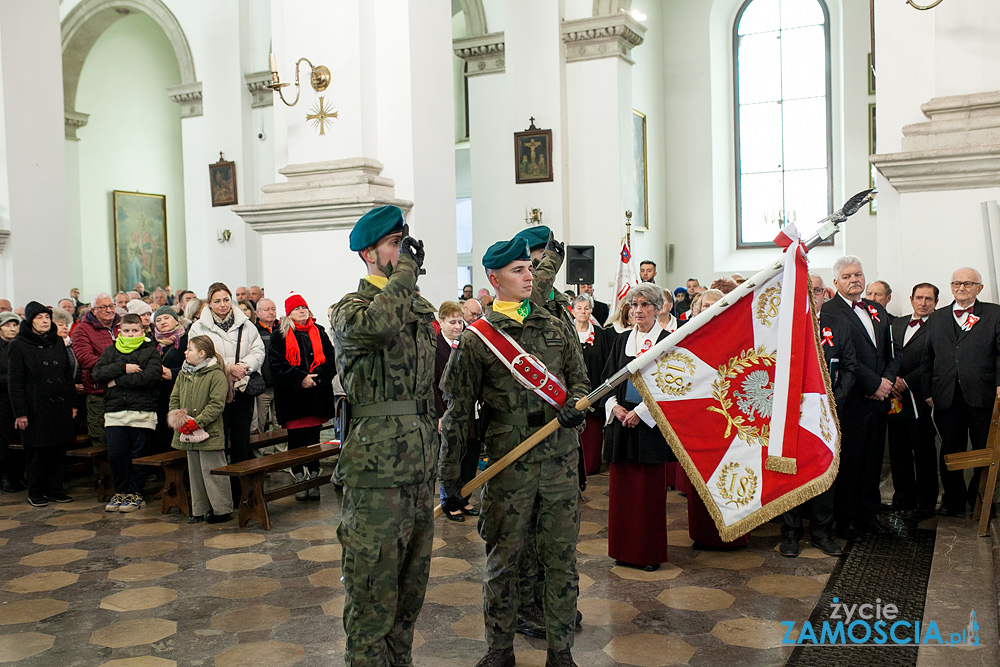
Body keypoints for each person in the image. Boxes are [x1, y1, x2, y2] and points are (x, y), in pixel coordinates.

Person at [440, 236, 589, 667]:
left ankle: (560, 652)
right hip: (509, 462)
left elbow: (579, 379)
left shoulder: (556, 325)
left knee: (561, 560)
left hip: (560, 458)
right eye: (519, 271)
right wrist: (449, 478)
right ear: (494, 278)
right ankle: (499, 649)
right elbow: (457, 412)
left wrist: (575, 407)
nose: (530, 276)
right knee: (503, 561)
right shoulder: (477, 339)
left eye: (530, 268)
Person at [331, 205, 438, 667]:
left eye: (404, 243)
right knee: (372, 594)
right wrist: (406, 276)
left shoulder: (416, 307)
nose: (403, 252)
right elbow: (377, 326)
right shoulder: (348, 310)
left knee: (409, 595)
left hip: (418, 467)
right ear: (368, 254)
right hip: (375, 473)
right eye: (395, 245)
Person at [780, 273, 854, 557]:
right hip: (791, 415)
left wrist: (833, 403)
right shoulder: (781, 326)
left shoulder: (840, 326)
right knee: (790, 473)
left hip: (828, 414)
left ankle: (822, 532)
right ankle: (790, 533)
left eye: (817, 291)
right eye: (805, 290)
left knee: (826, 471)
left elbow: (850, 368)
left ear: (826, 294)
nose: (811, 295)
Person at [824, 256, 899, 538]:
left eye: (858, 274)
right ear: (836, 282)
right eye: (847, 276)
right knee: (851, 462)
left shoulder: (876, 309)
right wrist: (873, 383)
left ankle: (869, 515)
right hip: (853, 398)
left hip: (879, 399)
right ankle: (847, 520)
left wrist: (888, 381)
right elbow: (845, 358)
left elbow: (891, 351)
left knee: (873, 460)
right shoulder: (830, 312)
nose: (854, 279)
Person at [601, 283, 671, 570]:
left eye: (644, 305)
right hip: (621, 423)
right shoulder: (620, 341)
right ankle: (624, 550)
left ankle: (647, 555)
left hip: (649, 428)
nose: (637, 310)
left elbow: (674, 386)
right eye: (633, 305)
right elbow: (607, 381)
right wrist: (614, 407)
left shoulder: (668, 341)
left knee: (648, 496)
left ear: (657, 308)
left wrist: (642, 412)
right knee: (623, 494)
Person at [921, 267, 1000, 517]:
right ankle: (952, 500)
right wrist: (928, 390)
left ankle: (980, 498)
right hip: (946, 395)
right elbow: (928, 357)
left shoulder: (994, 314)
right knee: (950, 450)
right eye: (956, 283)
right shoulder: (938, 317)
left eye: (967, 283)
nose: (961, 288)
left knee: (981, 449)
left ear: (980, 288)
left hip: (982, 394)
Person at [189, 282, 265, 501]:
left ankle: (242, 491)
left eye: (225, 300)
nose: (222, 305)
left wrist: (244, 367)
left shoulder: (245, 324)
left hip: (241, 388)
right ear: (209, 304)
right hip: (215, 391)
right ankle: (221, 495)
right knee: (219, 442)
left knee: (241, 440)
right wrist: (228, 367)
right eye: (217, 301)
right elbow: (197, 355)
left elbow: (258, 349)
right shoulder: (199, 327)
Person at [8, 302, 77, 507]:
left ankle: (55, 489)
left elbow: (66, 375)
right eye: (39, 318)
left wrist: (72, 403)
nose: (45, 321)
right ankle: (36, 491)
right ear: (29, 322)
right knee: (38, 452)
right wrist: (20, 413)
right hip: (35, 406)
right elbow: (15, 382)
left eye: (47, 317)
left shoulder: (57, 341)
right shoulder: (19, 345)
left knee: (58, 450)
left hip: (59, 404)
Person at [92, 313, 162, 513]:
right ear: (119, 331)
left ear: (142, 331)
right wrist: (122, 367)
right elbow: (97, 374)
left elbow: (151, 377)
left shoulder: (150, 351)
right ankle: (121, 491)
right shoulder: (111, 351)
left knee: (138, 455)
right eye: (126, 331)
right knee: (116, 455)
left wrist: (117, 381)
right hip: (115, 412)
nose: (130, 334)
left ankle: (136, 493)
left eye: (135, 330)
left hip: (141, 412)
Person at [270, 292, 337, 500]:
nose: (301, 311)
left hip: (316, 395)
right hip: (293, 399)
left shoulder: (319, 331)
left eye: (304, 307)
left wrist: (315, 379)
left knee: (313, 438)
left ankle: (314, 475)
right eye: (297, 309)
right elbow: (276, 365)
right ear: (289, 314)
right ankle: (299, 476)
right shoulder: (279, 335)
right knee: (296, 440)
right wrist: (300, 378)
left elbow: (331, 359)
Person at [886, 283, 938, 519]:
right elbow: (888, 353)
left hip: (921, 395)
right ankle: (902, 498)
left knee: (924, 451)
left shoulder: (940, 325)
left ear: (936, 302)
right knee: (898, 449)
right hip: (894, 396)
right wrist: (892, 380)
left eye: (929, 299)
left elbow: (937, 360)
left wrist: (906, 381)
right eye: (919, 298)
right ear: (911, 299)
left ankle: (926, 503)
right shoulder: (896, 323)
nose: (923, 302)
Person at [169, 335, 233, 523]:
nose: (185, 352)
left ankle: (222, 509)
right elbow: (175, 398)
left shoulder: (215, 374)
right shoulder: (184, 373)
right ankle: (200, 509)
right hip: (187, 432)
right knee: (195, 472)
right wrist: (178, 419)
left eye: (189, 349)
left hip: (208, 432)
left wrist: (198, 422)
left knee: (212, 471)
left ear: (202, 353)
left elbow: (216, 404)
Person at [434, 301, 480, 521]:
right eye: (452, 322)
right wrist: (439, 414)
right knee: (450, 459)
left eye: (460, 321)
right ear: (440, 321)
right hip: (448, 412)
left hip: (471, 412)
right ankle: (450, 501)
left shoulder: (467, 342)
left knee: (470, 457)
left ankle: (465, 498)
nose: (457, 326)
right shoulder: (435, 348)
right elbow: (432, 385)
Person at [72, 293, 121, 451]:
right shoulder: (82, 330)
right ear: (93, 310)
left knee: (122, 435)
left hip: (123, 390)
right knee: (100, 436)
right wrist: (118, 367)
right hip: (98, 391)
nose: (109, 310)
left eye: (111, 306)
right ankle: (103, 475)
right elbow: (85, 358)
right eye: (103, 307)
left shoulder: (122, 325)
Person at [572, 294, 609, 476]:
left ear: (591, 311)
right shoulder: (566, 332)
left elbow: (605, 362)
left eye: (586, 308)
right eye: (579, 308)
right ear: (572, 310)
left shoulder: (599, 334)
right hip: (571, 392)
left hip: (595, 390)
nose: (583, 312)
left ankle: (591, 465)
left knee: (593, 430)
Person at [153, 306, 188, 455]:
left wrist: (172, 373)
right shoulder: (154, 342)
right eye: (158, 320)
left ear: (175, 320)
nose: (163, 322)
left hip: (179, 394)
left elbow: (192, 366)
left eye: (166, 318)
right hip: (159, 397)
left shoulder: (185, 339)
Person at [0, 312, 24, 492]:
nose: (12, 329)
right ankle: (6, 476)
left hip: (19, 398)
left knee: (18, 438)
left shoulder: (20, 346)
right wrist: (13, 380)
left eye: (15, 325)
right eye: (7, 325)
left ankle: (18, 475)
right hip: (3, 400)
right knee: (5, 439)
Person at [255, 298, 279, 434]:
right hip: (262, 387)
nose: (271, 312)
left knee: (279, 423)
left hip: (279, 385)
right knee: (260, 424)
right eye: (267, 309)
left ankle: (281, 453)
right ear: (258, 313)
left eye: (273, 309)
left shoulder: (281, 329)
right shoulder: (253, 331)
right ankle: (260, 454)